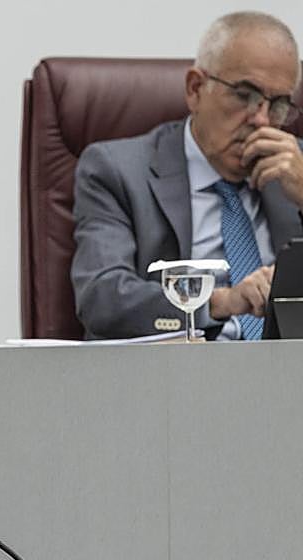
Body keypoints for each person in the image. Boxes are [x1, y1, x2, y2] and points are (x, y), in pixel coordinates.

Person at [71, 11, 303, 340]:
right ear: (195, 89)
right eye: (244, 94)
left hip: (288, 379)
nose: (262, 120)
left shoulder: (295, 169)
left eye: (278, 104)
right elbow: (102, 298)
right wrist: (221, 301)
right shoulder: (117, 171)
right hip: (171, 378)